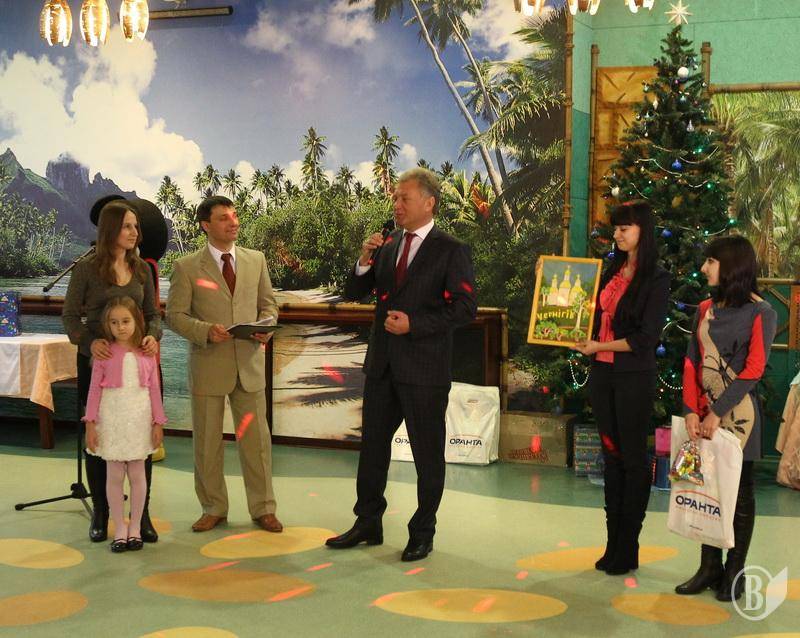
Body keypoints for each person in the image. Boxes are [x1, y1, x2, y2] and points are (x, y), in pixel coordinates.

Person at [326, 168, 477, 562]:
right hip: (382, 366)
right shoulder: (388, 243)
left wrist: (415, 324)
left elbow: (465, 308)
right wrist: (363, 261)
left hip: (424, 371)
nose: (396, 204)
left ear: (429, 203)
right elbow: (355, 291)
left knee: (428, 456)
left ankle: (423, 532)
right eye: (394, 198)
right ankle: (368, 523)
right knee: (372, 450)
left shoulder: (451, 249)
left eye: (404, 198)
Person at [165, 195, 282, 534]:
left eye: (234, 216)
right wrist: (204, 331)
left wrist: (266, 326)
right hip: (208, 366)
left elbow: (269, 306)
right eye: (223, 218)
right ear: (205, 225)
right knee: (207, 445)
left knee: (257, 444)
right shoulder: (186, 266)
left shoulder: (256, 260)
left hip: (249, 366)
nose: (233, 222)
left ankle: (264, 509)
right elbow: (174, 316)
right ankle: (213, 508)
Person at [572, 200, 670, 575]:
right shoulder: (611, 270)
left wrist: (600, 345)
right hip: (602, 374)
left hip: (632, 377)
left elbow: (645, 339)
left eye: (624, 228)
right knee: (611, 458)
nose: (617, 234)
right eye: (615, 228)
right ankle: (613, 543)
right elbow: (585, 311)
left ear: (642, 230)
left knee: (632, 459)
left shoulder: (656, 278)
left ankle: (629, 545)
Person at [676, 235, 776, 602]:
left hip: (739, 416)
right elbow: (692, 361)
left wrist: (718, 412)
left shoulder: (762, 312)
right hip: (702, 413)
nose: (704, 268)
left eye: (711, 262)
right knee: (706, 488)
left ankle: (735, 571)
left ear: (731, 266)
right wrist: (691, 409)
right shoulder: (704, 308)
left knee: (739, 492)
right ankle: (709, 567)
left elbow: (754, 369)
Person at [62, 199, 162, 543]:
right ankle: (101, 513)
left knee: (140, 436)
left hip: (137, 367)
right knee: (99, 439)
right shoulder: (86, 269)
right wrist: (89, 343)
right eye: (127, 226)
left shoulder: (142, 269)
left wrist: (152, 335)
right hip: (97, 363)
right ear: (110, 230)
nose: (135, 233)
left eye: (136, 227)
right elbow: (70, 317)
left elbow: (153, 315)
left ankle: (141, 515)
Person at [83, 297, 166, 552]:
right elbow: (94, 391)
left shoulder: (147, 353)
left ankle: (135, 527)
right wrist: (90, 424)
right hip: (112, 421)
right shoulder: (104, 353)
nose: (120, 327)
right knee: (115, 476)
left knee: (138, 475)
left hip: (139, 421)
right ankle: (119, 527)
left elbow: (154, 390)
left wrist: (158, 422)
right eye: (114, 322)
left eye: (126, 321)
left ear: (137, 321)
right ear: (107, 325)